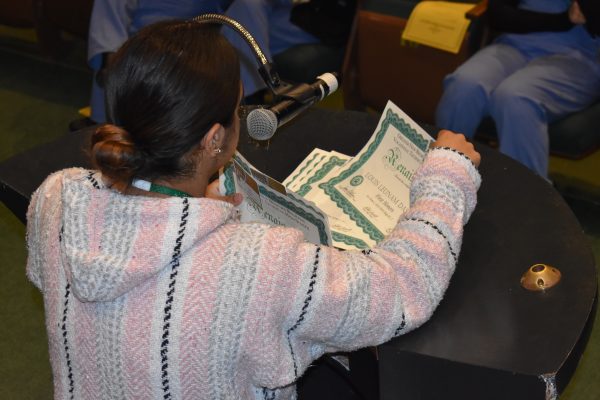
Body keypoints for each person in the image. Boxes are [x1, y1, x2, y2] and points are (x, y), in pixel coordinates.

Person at [26, 21, 481, 399]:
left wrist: (189, 215)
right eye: (238, 110)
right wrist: (446, 173)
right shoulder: (259, 264)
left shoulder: (56, 199)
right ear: (214, 139)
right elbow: (402, 288)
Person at [435, 0, 600, 179]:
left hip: (579, 57)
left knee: (515, 98)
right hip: (515, 45)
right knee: (464, 85)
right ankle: (439, 176)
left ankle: (529, 193)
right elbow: (499, 15)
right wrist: (563, 20)